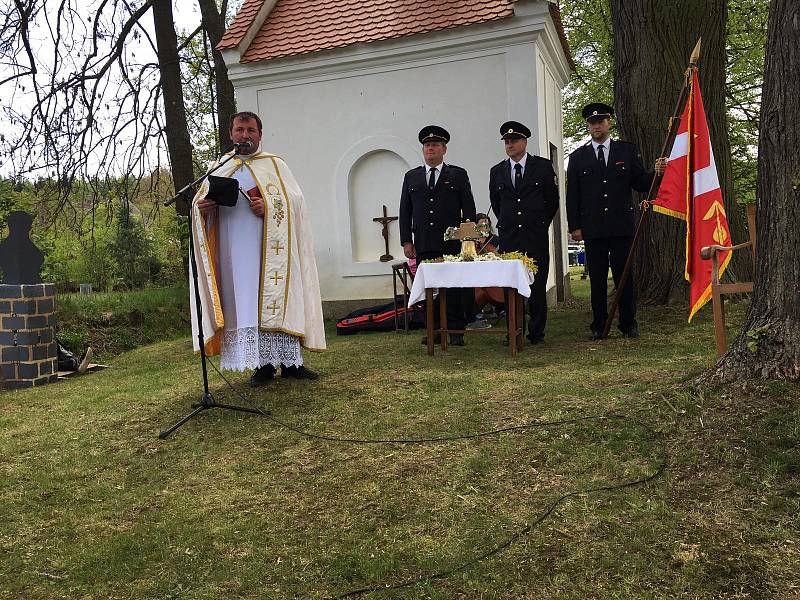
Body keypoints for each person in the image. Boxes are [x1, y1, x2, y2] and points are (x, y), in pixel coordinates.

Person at [191, 111, 325, 386]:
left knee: (279, 300)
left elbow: (297, 205)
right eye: (240, 130)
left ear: (260, 135)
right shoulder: (219, 167)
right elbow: (199, 203)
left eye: (251, 130)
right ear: (231, 134)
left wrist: (272, 207)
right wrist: (202, 209)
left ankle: (291, 364)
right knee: (246, 304)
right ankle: (262, 366)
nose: (245, 135)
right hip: (233, 253)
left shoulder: (275, 165)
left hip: (271, 252)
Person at [566, 102, 665, 340]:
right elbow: (573, 196)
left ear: (609, 123)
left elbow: (641, 183)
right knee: (597, 279)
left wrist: (657, 173)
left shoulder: (626, 151)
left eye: (600, 121)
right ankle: (599, 325)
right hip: (593, 228)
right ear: (588, 127)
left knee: (625, 277)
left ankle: (628, 323)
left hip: (621, 225)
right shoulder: (578, 157)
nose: (596, 125)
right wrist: (575, 227)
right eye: (592, 122)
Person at [399, 125, 476, 346]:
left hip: (451, 242)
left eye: (434, 145)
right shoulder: (411, 176)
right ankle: (433, 329)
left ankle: (456, 330)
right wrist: (406, 240)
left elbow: (468, 209)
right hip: (424, 242)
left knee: (453, 287)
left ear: (444, 149)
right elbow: (405, 211)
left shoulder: (458, 175)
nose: (430, 148)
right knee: (429, 288)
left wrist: (468, 237)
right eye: (427, 145)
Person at [489, 121, 559, 344]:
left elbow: (552, 202)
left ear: (525, 142)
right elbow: (497, 204)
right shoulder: (497, 171)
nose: (510, 145)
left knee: (537, 286)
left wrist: (538, 223)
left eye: (514, 141)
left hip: (534, 235)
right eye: (507, 142)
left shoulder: (543, 167)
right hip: (510, 237)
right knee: (511, 286)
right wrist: (509, 223)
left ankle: (536, 332)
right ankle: (514, 330)